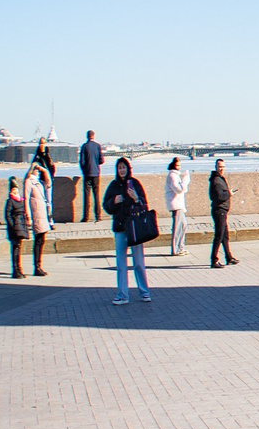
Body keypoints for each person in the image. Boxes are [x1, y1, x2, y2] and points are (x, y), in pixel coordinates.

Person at [101, 157, 152, 304]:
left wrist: (136, 198)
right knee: (121, 262)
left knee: (138, 262)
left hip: (135, 227)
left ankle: (144, 292)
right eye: (119, 168)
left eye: (124, 167)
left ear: (128, 169)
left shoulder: (134, 183)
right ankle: (123, 294)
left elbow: (144, 205)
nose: (122, 170)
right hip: (120, 227)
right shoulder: (113, 185)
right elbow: (106, 206)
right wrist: (114, 201)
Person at [206, 157, 236, 268]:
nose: (221, 169)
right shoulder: (216, 180)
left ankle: (229, 257)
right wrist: (229, 194)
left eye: (223, 167)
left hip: (222, 210)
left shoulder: (219, 178)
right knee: (219, 236)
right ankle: (214, 260)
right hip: (219, 211)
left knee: (225, 235)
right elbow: (219, 197)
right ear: (216, 167)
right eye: (220, 167)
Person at [3, 177, 32, 279]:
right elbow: (7, 215)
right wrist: (13, 226)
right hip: (15, 228)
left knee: (18, 248)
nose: (15, 191)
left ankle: (19, 269)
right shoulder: (10, 201)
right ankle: (15, 270)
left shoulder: (20, 200)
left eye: (16, 190)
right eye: (13, 190)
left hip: (21, 227)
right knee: (15, 249)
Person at [162, 157, 191, 256]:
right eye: (177, 165)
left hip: (178, 204)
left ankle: (180, 247)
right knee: (178, 227)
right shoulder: (172, 176)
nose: (179, 167)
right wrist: (186, 179)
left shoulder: (175, 175)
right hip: (175, 205)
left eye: (179, 165)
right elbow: (179, 189)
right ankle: (176, 249)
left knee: (183, 225)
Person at [78, 130, 104, 222]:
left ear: (87, 136)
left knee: (86, 196)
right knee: (96, 195)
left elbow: (81, 161)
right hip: (96, 173)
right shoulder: (97, 146)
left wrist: (84, 170)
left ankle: (86, 217)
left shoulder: (84, 146)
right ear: (94, 136)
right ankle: (98, 216)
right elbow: (101, 160)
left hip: (87, 173)